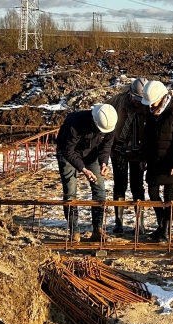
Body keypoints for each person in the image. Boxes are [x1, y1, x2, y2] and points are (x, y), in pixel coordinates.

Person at [55, 104, 117, 243]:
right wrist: (83, 169)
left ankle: (98, 229)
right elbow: (68, 151)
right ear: (95, 121)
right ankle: (74, 231)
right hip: (67, 153)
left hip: (91, 154)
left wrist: (103, 162)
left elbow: (106, 146)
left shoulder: (109, 124)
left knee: (100, 189)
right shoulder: (75, 123)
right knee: (70, 192)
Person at [139, 80, 173, 242]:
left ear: (161, 97)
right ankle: (161, 225)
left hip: (170, 162)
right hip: (154, 159)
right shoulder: (151, 110)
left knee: (169, 196)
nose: (150, 106)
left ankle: (166, 230)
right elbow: (146, 136)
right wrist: (143, 157)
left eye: (152, 102)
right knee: (152, 192)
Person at [104, 77, 149, 234]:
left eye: (141, 100)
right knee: (119, 185)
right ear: (130, 94)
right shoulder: (118, 100)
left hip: (138, 152)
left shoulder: (148, 106)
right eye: (136, 99)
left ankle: (140, 224)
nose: (138, 102)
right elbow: (104, 113)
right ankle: (119, 222)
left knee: (137, 186)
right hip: (119, 150)